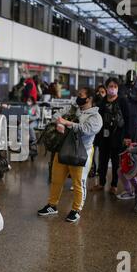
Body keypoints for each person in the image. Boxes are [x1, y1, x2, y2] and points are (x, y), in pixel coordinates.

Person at [37, 87, 102, 222]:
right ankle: (52, 205)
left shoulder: (95, 117)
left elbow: (86, 130)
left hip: (81, 152)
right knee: (56, 179)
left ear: (89, 99)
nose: (78, 97)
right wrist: (58, 124)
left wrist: (67, 123)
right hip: (63, 149)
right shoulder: (73, 109)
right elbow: (56, 116)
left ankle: (76, 209)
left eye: (81, 95)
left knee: (79, 183)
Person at [92, 77, 130, 195]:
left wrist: (127, 136)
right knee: (102, 161)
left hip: (118, 136)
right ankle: (101, 183)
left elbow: (128, 119)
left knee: (115, 163)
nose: (112, 89)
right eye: (110, 86)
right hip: (103, 136)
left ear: (118, 88)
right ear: (106, 88)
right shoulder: (102, 102)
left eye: (115, 87)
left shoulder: (122, 101)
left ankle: (114, 185)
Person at [119, 70, 137, 142]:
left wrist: (130, 96)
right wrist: (134, 97)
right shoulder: (122, 87)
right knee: (122, 137)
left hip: (134, 117)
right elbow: (122, 98)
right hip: (123, 116)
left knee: (134, 137)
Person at [90, 85, 107, 177]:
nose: (100, 94)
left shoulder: (107, 104)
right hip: (93, 129)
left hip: (103, 130)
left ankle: (100, 169)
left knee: (101, 151)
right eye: (98, 92)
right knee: (93, 150)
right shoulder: (93, 104)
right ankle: (93, 168)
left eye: (102, 92)